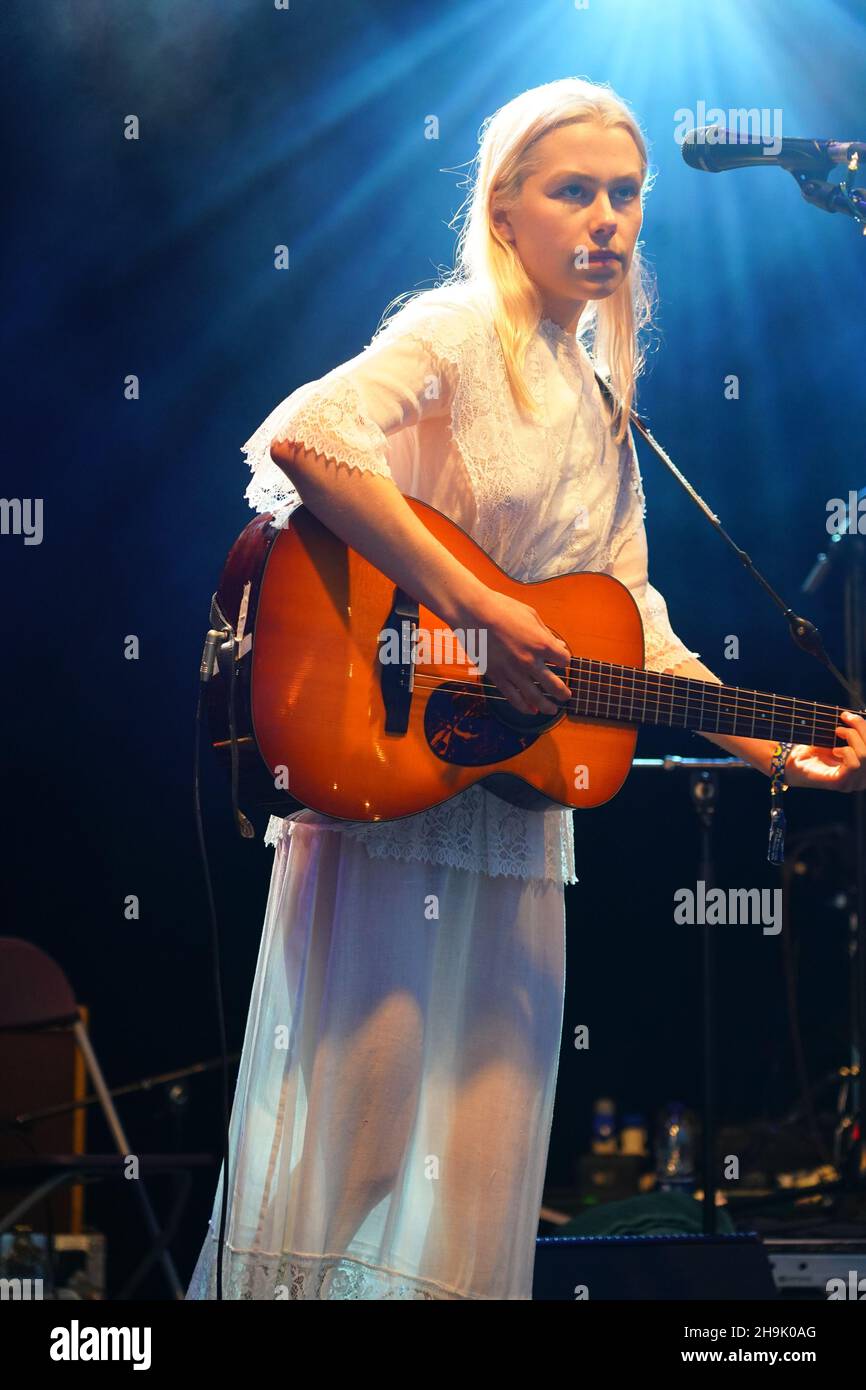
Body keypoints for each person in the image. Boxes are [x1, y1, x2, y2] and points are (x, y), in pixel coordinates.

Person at [186, 77, 866, 1302]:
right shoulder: (453, 334)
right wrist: (478, 606)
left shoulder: (607, 397)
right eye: (574, 193)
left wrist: (774, 749)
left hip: (511, 822)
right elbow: (305, 436)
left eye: (625, 196)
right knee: (357, 1144)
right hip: (388, 777)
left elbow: (632, 629)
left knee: (485, 1159)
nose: (605, 219)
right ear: (503, 211)